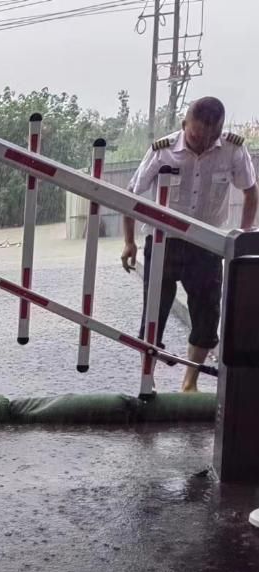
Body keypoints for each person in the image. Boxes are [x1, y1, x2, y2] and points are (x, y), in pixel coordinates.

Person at [122, 97, 257, 392]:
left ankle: (189, 383)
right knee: (154, 313)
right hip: (163, 243)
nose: (203, 141)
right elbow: (131, 193)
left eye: (212, 136)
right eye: (197, 135)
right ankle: (148, 380)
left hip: (206, 245)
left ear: (220, 130)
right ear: (185, 125)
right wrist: (129, 242)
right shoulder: (163, 151)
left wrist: (244, 236)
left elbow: (250, 191)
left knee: (207, 315)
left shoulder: (233, 150)